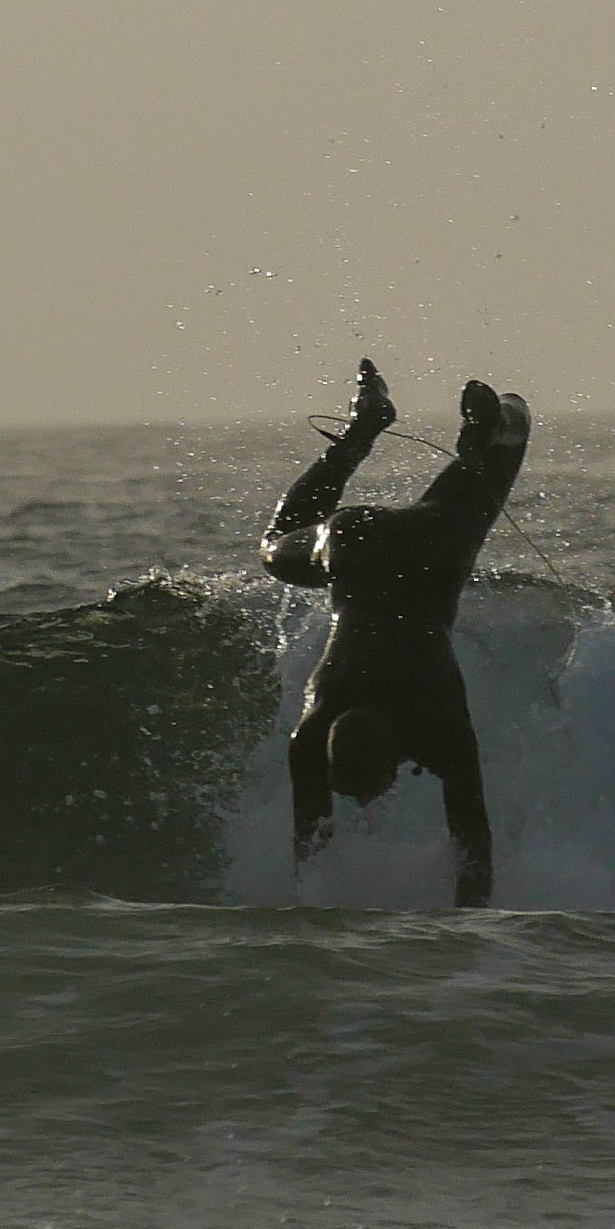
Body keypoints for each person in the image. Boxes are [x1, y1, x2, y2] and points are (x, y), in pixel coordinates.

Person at [260, 360, 530, 907]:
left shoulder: (438, 719)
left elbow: (473, 843)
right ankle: (405, 430)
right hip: (353, 542)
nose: (366, 805)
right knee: (274, 547)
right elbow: (470, 843)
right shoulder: (315, 729)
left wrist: (467, 928)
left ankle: (479, 434)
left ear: (396, 760)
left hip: (427, 548)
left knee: (507, 445)